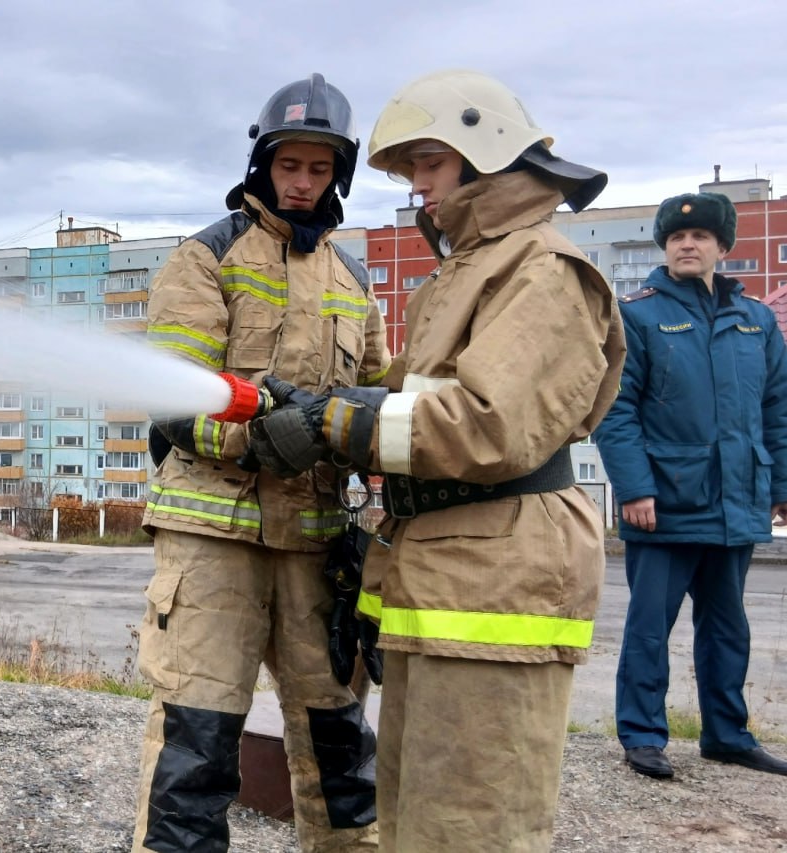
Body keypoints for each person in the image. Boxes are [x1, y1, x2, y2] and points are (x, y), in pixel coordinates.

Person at [246, 69, 625, 850]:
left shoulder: (541, 271)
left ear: (482, 153)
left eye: (428, 163)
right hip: (445, 568)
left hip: (497, 576)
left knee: (472, 826)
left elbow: (489, 424)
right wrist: (312, 404)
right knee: (418, 818)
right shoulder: (469, 269)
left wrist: (336, 422)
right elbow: (410, 392)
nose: (417, 185)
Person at [133, 73, 391, 853]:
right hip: (213, 542)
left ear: (337, 175)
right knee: (197, 742)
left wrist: (369, 423)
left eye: (320, 169)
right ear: (264, 164)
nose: (303, 182)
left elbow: (374, 396)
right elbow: (173, 400)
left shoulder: (353, 280)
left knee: (341, 747)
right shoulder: (206, 258)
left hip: (314, 545)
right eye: (291, 167)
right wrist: (254, 436)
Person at [592, 192, 787, 780]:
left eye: (701, 237)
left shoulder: (757, 319)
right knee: (650, 626)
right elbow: (614, 410)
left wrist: (780, 483)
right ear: (665, 247)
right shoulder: (638, 315)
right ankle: (643, 736)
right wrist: (634, 489)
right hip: (665, 502)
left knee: (728, 627)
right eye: (677, 238)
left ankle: (727, 735)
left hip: (737, 500)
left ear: (722, 248)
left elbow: (776, 407)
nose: (687, 244)